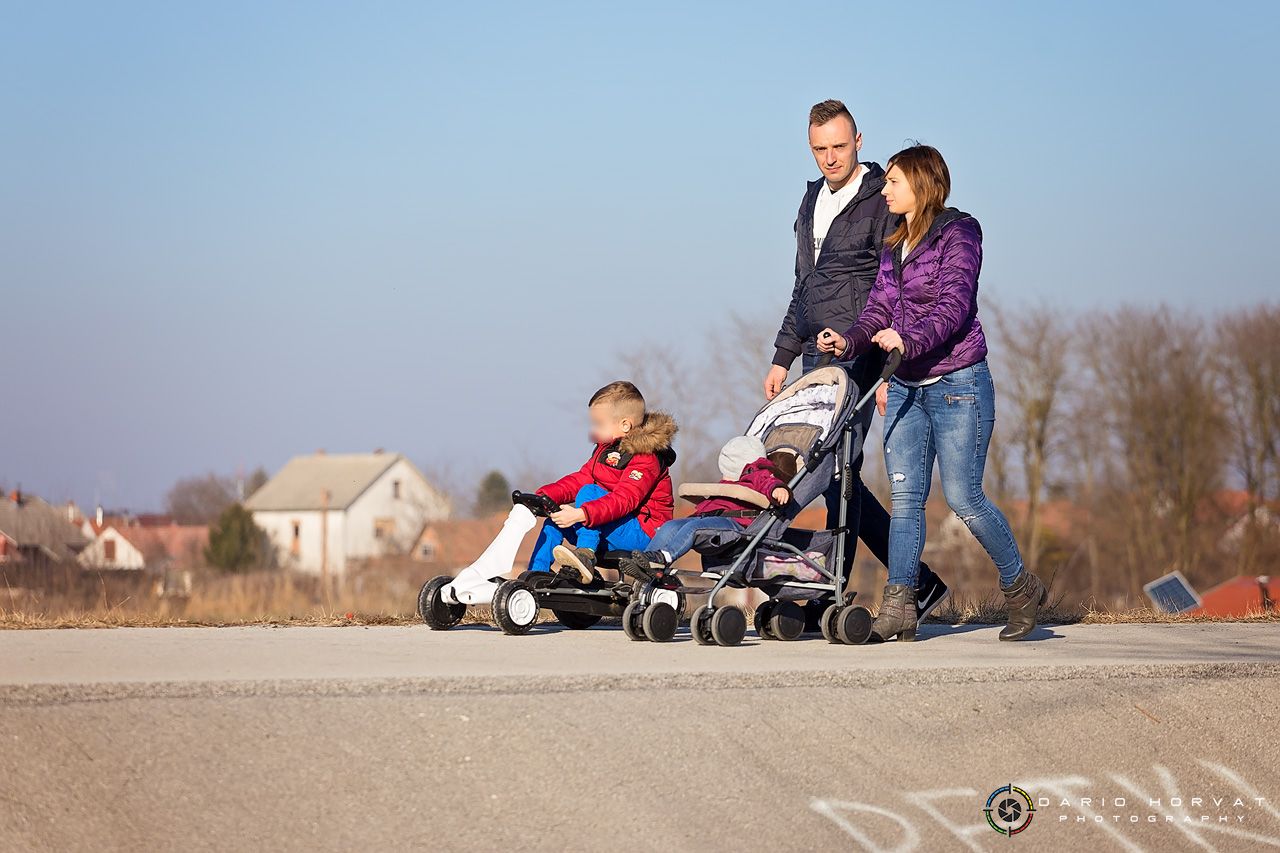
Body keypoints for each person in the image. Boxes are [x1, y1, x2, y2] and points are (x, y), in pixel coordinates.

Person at [817, 144, 1045, 642]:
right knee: (905, 499)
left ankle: (1021, 588)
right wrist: (848, 340)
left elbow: (954, 306)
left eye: (894, 181)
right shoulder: (893, 242)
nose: (886, 189)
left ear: (921, 185)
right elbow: (878, 309)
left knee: (964, 495)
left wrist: (909, 339)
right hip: (903, 386)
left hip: (958, 383)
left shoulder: (960, 233)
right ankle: (900, 607)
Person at [764, 98, 948, 623]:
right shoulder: (810, 203)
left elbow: (892, 285)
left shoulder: (879, 198)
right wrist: (782, 355)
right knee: (831, 467)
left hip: (860, 353)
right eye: (819, 149)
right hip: (813, 358)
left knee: (832, 466)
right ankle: (919, 584)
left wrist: (884, 353)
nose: (830, 158)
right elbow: (804, 287)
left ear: (859, 141)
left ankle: (828, 592)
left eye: (839, 146)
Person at [528, 381, 678, 583]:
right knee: (554, 521)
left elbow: (625, 500)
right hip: (610, 525)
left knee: (589, 492)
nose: (594, 430)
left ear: (625, 425)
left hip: (645, 535)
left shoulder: (646, 457)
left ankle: (586, 554)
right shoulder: (606, 450)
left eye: (599, 424)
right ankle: (535, 577)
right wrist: (544, 496)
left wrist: (582, 513)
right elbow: (581, 478)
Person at [619, 436, 796, 579]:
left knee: (694, 528)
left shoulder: (756, 472)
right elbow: (712, 506)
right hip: (713, 519)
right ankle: (647, 561)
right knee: (671, 526)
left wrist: (777, 489)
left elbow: (768, 482)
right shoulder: (727, 482)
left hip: (736, 525)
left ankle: (663, 558)